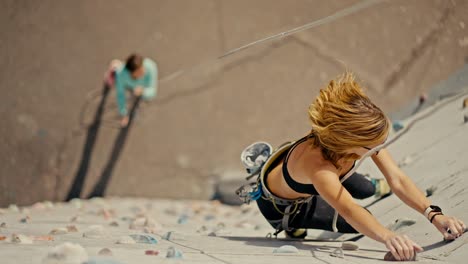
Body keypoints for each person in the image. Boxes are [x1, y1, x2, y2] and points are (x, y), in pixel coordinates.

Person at [251, 72, 465, 261]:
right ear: (349, 141)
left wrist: (434, 214)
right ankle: (295, 228)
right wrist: (389, 237)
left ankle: (372, 186)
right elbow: (348, 209)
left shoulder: (354, 140)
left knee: (367, 190)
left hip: (323, 173)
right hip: (284, 206)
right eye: (375, 145)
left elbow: (397, 178)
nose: (382, 148)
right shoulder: (320, 168)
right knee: (359, 220)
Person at [104, 53, 158, 127]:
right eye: (139, 72)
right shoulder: (121, 75)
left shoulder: (151, 66)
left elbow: (152, 91)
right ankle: (114, 68)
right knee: (114, 79)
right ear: (130, 73)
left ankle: (117, 65)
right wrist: (123, 113)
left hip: (138, 87)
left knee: (145, 96)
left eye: (142, 68)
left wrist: (143, 91)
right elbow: (120, 95)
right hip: (128, 82)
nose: (144, 72)